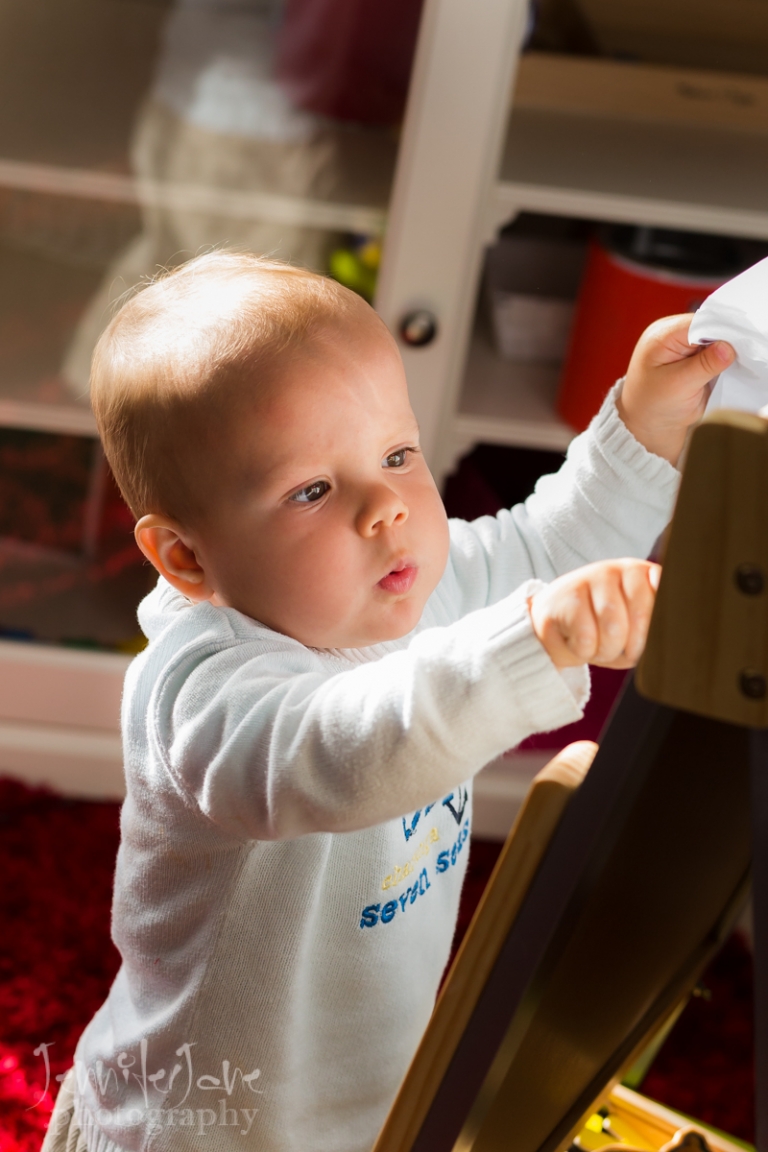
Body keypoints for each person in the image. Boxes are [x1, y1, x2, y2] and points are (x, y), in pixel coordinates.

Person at [42, 251, 734, 1152]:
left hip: (365, 1089)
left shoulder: (400, 586)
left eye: (398, 455)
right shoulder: (200, 689)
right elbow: (337, 755)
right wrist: (534, 638)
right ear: (186, 558)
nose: (386, 509)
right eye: (313, 491)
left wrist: (640, 433)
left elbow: (538, 544)